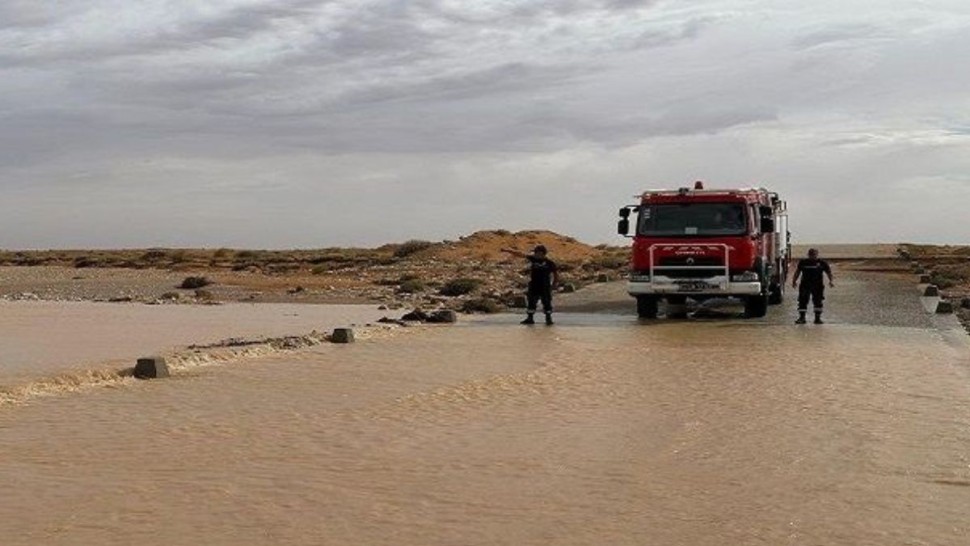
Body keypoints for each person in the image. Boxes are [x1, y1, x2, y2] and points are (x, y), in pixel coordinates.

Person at [501, 245, 560, 325]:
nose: (536, 254)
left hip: (545, 286)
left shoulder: (550, 263)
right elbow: (521, 254)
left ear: (543, 253)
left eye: (538, 253)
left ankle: (548, 318)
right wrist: (508, 250)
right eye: (535, 253)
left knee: (546, 302)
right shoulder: (533, 259)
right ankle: (530, 318)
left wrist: (554, 284)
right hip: (534, 285)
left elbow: (556, 274)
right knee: (531, 302)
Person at [792, 248, 834, 324]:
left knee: (818, 301)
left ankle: (817, 319)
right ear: (808, 255)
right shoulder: (803, 262)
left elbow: (829, 272)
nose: (813, 256)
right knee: (802, 301)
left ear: (817, 255)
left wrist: (831, 281)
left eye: (814, 254)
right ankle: (802, 318)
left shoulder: (822, 263)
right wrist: (794, 281)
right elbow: (797, 272)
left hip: (817, 286)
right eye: (811, 254)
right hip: (805, 285)